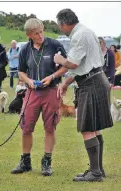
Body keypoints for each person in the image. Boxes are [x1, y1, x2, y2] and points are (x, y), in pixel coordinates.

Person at [54, 9, 113, 182]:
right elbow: (84, 65)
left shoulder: (79, 35)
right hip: (96, 78)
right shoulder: (87, 31)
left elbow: (72, 63)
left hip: (91, 83)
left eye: (59, 25)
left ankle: (95, 173)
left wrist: (59, 59)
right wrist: (65, 83)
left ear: (63, 23)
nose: (60, 28)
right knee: (95, 127)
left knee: (87, 126)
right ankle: (98, 169)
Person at [11, 18, 68, 176]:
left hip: (51, 91)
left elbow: (66, 66)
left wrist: (52, 76)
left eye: (41, 31)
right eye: (36, 33)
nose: (40, 35)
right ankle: (25, 161)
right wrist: (28, 81)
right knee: (26, 127)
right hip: (32, 93)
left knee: (50, 127)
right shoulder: (24, 49)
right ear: (29, 35)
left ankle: (47, 162)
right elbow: (21, 71)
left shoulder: (55, 45)